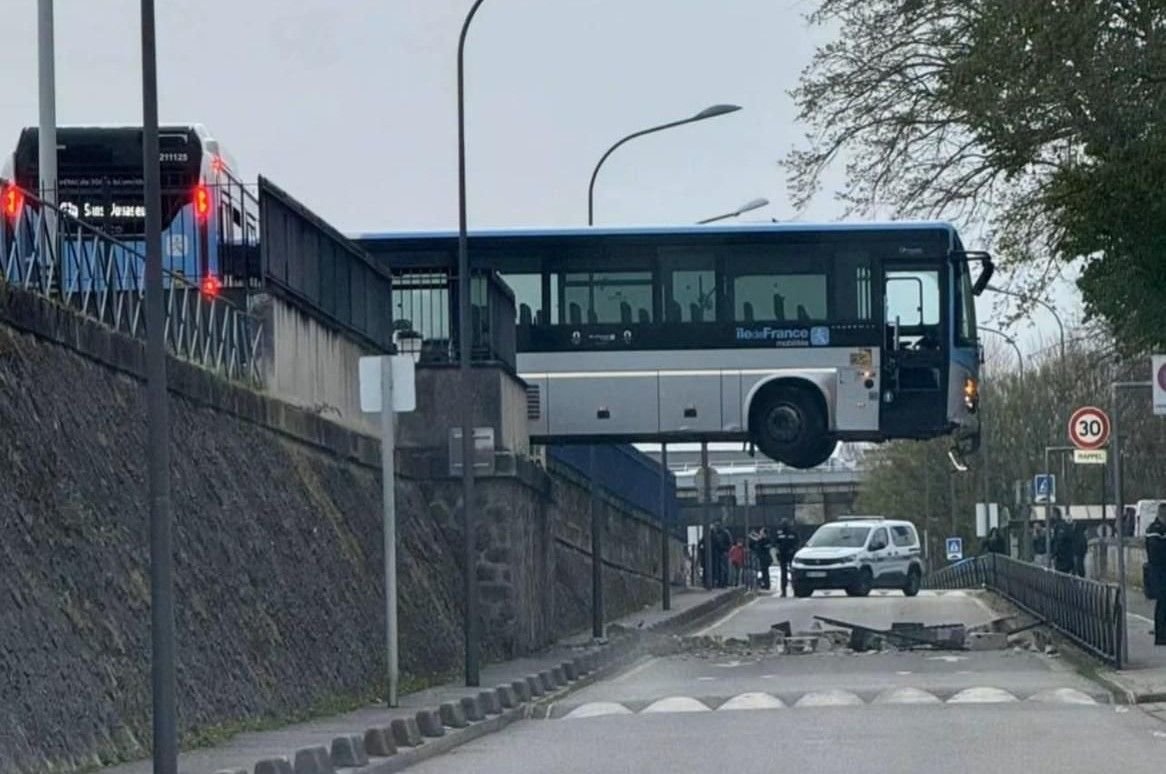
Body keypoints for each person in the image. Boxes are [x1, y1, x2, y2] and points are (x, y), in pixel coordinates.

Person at [1146, 504, 1166, 646]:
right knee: (1162, 603)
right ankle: (1161, 635)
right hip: (1159, 572)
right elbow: (1155, 552)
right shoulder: (1155, 530)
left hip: (1162, 571)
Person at [773, 519, 800, 597]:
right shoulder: (779, 533)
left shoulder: (793, 533)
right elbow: (776, 543)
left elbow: (797, 542)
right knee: (783, 573)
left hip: (791, 555)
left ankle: (795, 589)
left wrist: (793, 550)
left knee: (793, 573)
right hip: (782, 555)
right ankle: (783, 591)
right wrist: (778, 551)